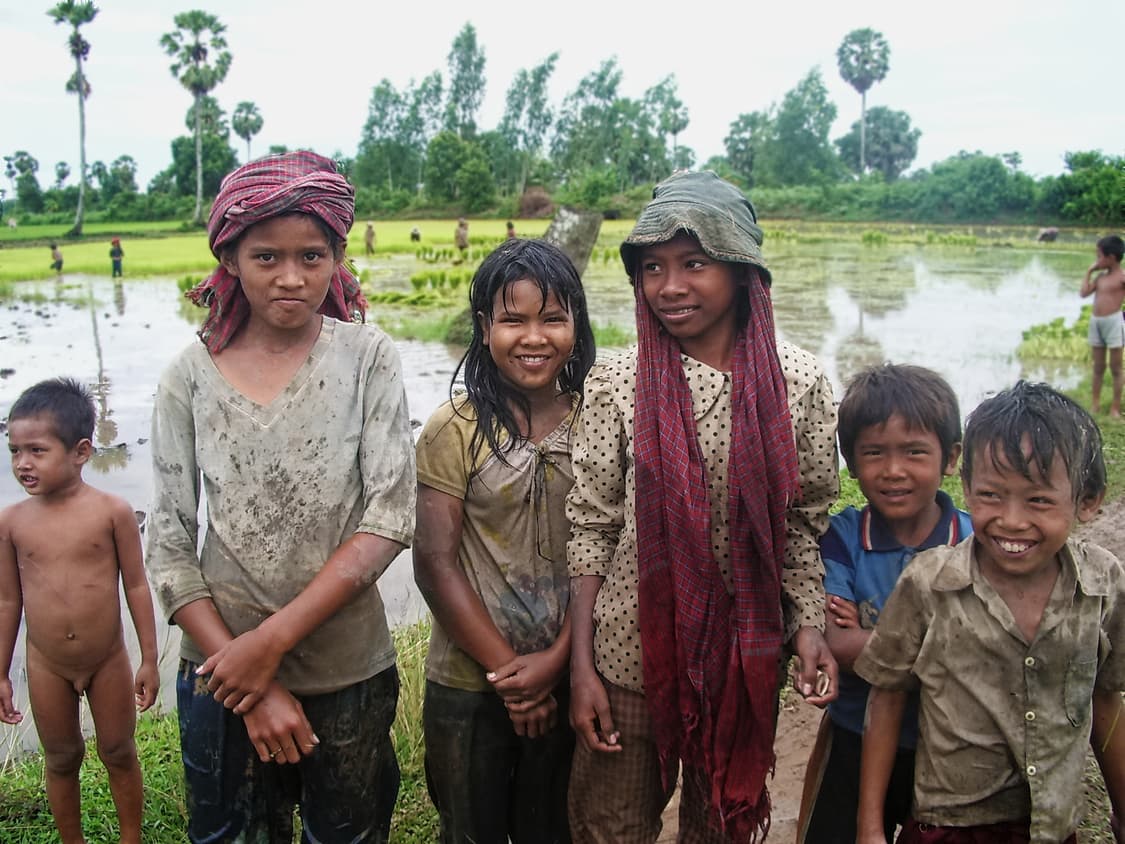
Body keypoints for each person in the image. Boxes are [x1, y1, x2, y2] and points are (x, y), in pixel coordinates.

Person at [145, 151, 416, 843]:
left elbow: (388, 516)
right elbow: (171, 544)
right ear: (230, 257)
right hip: (221, 674)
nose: (291, 278)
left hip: (345, 670)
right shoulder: (189, 374)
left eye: (312, 255)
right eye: (266, 257)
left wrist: (269, 643)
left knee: (348, 833)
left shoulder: (367, 357)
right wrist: (251, 678)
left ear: (337, 256)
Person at [566, 170, 840, 842]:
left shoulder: (796, 381)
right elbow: (590, 528)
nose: (669, 287)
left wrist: (806, 628)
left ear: (742, 269)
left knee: (718, 825)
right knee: (610, 826)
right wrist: (581, 668)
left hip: (743, 659)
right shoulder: (616, 381)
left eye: (694, 264)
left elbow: (801, 525)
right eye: (652, 268)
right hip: (630, 655)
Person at [856, 381, 1125, 844]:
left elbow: (1105, 700)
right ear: (966, 487)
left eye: (1039, 500)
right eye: (991, 496)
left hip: (1053, 828)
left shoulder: (1102, 585)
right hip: (948, 827)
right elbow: (885, 700)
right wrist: (870, 827)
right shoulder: (929, 584)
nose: (1012, 520)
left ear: (1087, 501)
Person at [414, 238, 596, 843]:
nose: (533, 337)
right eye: (513, 320)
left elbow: (609, 554)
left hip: (571, 670)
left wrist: (556, 663)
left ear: (577, 323)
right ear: (484, 327)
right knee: (471, 830)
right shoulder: (454, 428)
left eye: (552, 318)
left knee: (554, 828)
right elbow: (435, 565)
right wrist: (511, 678)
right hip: (469, 682)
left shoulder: (596, 422)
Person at [798, 364, 972, 844]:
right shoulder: (843, 538)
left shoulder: (976, 542)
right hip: (852, 735)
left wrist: (872, 643)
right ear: (851, 463)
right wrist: (952, 648)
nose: (894, 470)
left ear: (950, 457)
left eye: (915, 452)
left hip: (951, 747)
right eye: (874, 453)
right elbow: (836, 641)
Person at [0, 377, 159, 844]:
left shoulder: (112, 512)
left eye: (36, 450)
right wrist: (2, 672)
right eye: (14, 451)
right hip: (46, 663)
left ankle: (131, 837)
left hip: (107, 659)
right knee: (61, 757)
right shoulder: (11, 523)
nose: (22, 464)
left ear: (82, 451)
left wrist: (149, 658)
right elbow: (9, 600)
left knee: (118, 750)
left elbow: (136, 586)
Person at [1080, 234, 1125, 418]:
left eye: (1099, 256)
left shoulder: (1122, 277)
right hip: (1096, 322)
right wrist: (1089, 271)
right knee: (1098, 367)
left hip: (1114, 322)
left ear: (1111, 257)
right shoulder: (1100, 278)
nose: (1097, 260)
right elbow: (1083, 293)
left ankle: (1115, 407)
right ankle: (1095, 404)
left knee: (1116, 367)